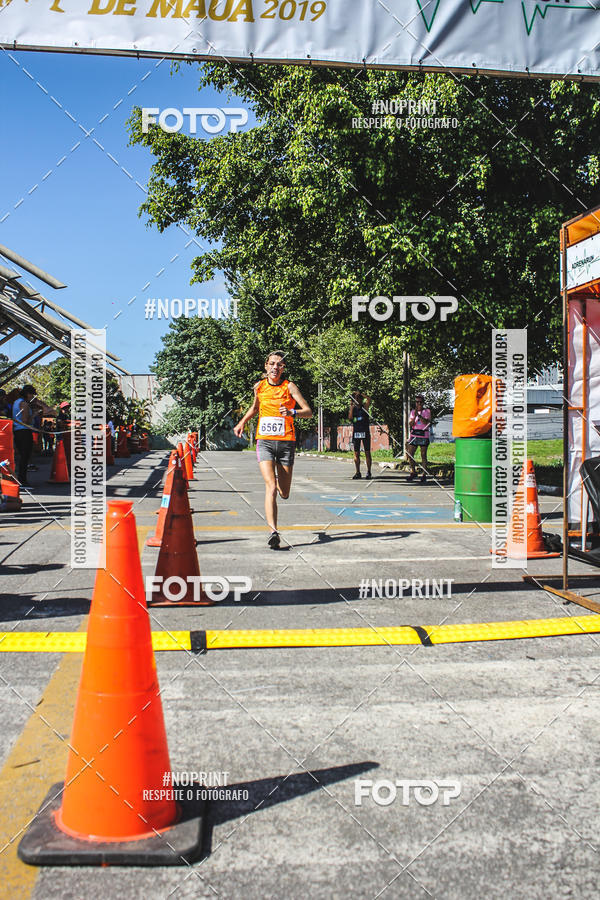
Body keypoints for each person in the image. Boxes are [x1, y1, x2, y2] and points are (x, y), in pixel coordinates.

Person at [233, 351, 312, 549]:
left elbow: (308, 412)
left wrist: (293, 412)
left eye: (280, 365)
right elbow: (255, 408)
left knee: (283, 492)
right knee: (270, 486)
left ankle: (279, 488)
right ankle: (273, 531)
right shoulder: (259, 387)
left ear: (283, 368)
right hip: (265, 442)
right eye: (272, 364)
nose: (276, 367)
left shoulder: (290, 387)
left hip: (286, 443)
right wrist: (242, 422)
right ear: (266, 366)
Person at [12, 384, 37, 486]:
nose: (32, 398)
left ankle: (21, 478)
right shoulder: (24, 404)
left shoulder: (16, 402)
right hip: (24, 431)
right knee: (25, 456)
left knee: (22, 456)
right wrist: (34, 414)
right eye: (32, 395)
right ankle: (22, 479)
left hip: (17, 431)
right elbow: (25, 420)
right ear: (28, 394)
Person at [406, 394, 431, 484]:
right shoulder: (413, 412)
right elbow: (411, 424)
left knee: (423, 455)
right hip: (414, 434)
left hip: (423, 434)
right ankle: (413, 471)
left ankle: (424, 474)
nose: (419, 404)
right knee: (410, 453)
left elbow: (426, 422)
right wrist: (415, 415)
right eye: (417, 402)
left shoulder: (427, 411)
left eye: (420, 402)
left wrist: (419, 416)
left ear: (423, 403)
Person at [348, 390, 372, 479]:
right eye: (356, 398)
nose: (357, 399)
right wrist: (351, 406)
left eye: (359, 398)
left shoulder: (364, 407)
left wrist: (361, 393)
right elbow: (350, 418)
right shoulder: (353, 408)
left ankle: (369, 471)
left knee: (367, 452)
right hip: (357, 432)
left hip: (365, 431)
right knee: (356, 453)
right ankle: (358, 472)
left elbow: (369, 399)